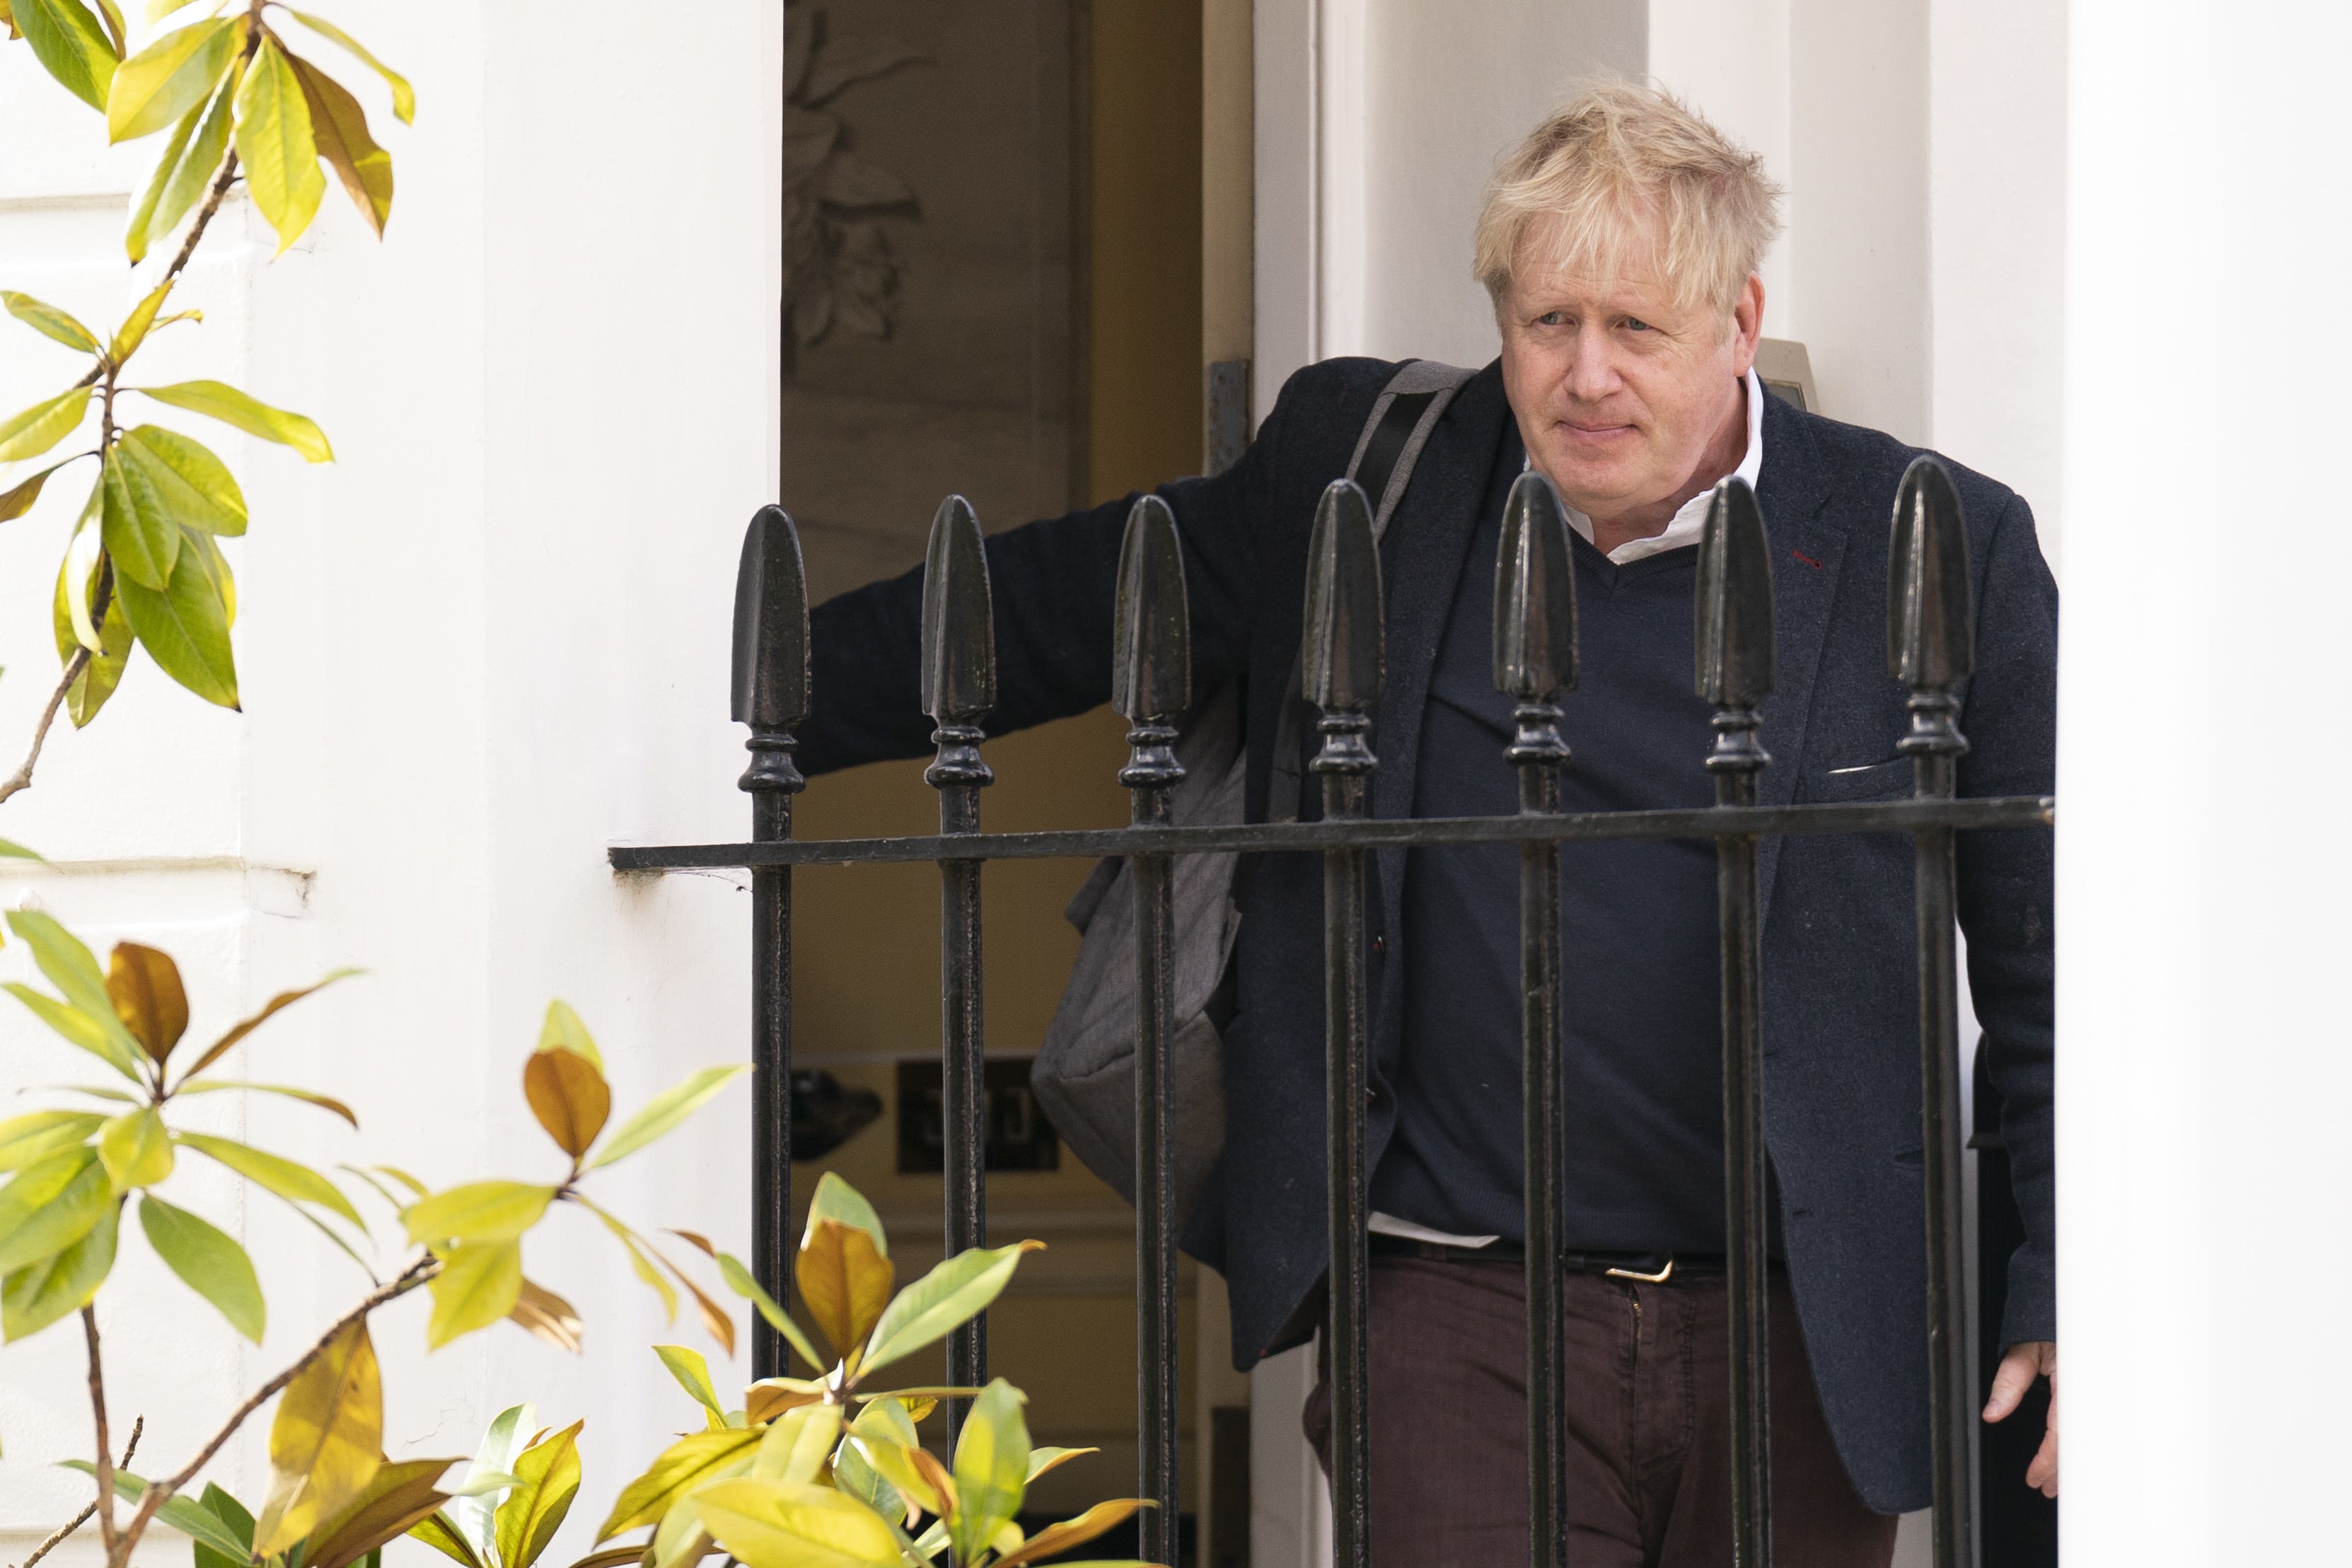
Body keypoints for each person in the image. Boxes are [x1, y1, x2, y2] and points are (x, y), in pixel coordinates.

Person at [796, 81, 2055, 1568]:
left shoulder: (1939, 545)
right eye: (1543, 323)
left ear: (1738, 317)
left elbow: (2050, 966)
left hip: (1800, 1319)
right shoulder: (1375, 477)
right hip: (1458, 1301)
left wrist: (2060, 1277)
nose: (1583, 376)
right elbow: (1080, 606)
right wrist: (759, 714)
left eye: (1634, 330)